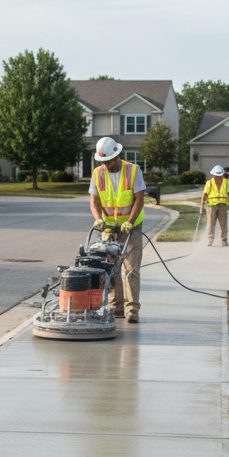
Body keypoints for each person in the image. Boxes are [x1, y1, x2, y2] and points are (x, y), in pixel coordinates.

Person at [88, 136, 146, 323]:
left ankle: (132, 310)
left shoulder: (133, 171)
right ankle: (116, 307)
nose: (106, 164)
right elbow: (94, 201)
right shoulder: (98, 173)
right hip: (108, 227)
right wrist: (98, 219)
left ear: (117, 155)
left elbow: (139, 199)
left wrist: (130, 220)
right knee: (111, 268)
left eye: (109, 161)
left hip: (132, 226)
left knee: (131, 268)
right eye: (102, 161)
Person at [199, 165, 229, 246]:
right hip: (211, 205)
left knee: (223, 224)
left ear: (223, 175)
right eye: (216, 176)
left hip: (223, 205)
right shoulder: (209, 183)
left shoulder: (227, 182)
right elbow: (205, 195)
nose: (218, 177)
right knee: (210, 223)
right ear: (213, 175)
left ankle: (224, 240)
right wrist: (201, 206)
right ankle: (210, 240)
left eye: (219, 176)